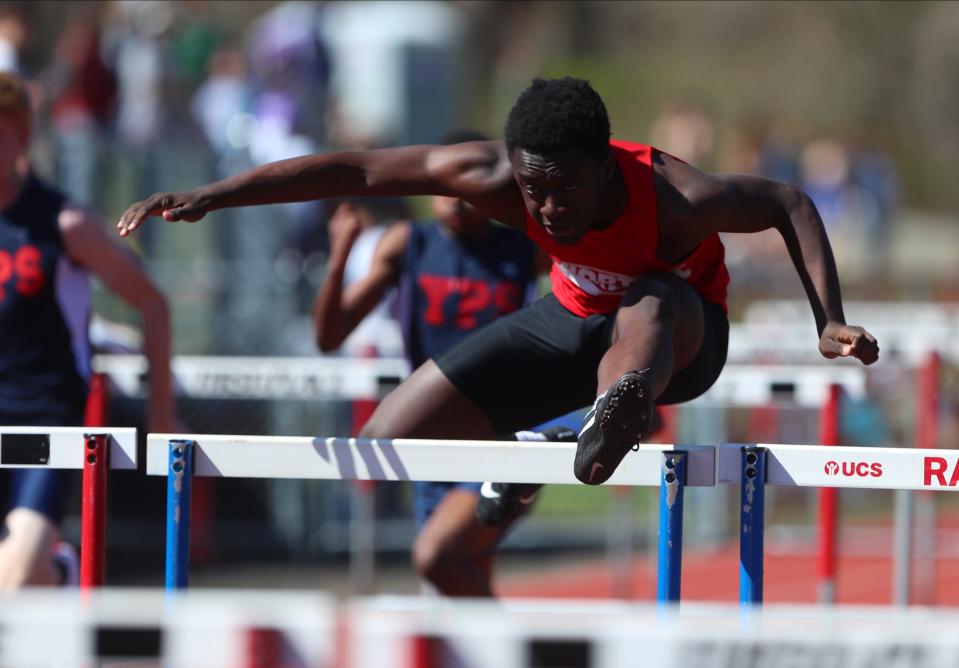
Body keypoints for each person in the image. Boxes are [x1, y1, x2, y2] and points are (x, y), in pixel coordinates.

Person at [117, 75, 879, 536]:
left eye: (565, 190)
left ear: (605, 169)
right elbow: (356, 167)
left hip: (679, 339)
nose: (545, 210)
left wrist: (828, 320)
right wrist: (213, 197)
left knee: (648, 299)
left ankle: (615, 411)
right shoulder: (490, 180)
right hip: (572, 318)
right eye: (531, 188)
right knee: (386, 441)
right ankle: (541, 445)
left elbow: (788, 201)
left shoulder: (676, 198)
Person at [313, 130, 572, 596]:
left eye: (467, 192)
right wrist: (339, 259)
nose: (454, 202)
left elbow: (586, 295)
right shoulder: (406, 244)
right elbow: (330, 336)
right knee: (459, 575)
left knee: (435, 558)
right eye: (443, 191)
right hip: (428, 438)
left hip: (500, 443)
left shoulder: (522, 248)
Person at [0, 71, 176, 588]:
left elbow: (154, 305)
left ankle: (56, 570)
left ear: (21, 139)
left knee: (10, 587)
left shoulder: (66, 223)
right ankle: (45, 576)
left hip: (45, 421)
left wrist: (161, 416)